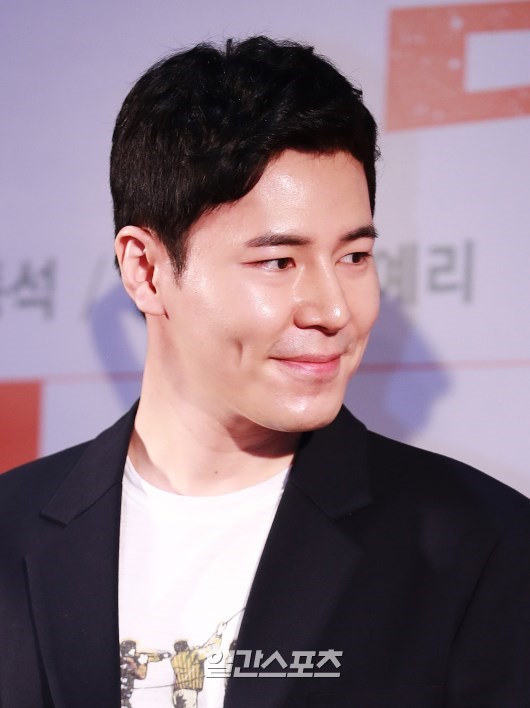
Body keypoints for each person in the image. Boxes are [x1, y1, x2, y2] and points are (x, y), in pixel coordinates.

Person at [1, 36, 529, 708]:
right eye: (278, 262)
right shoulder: (11, 528)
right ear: (146, 270)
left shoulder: (482, 548)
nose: (334, 310)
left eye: (355, 257)